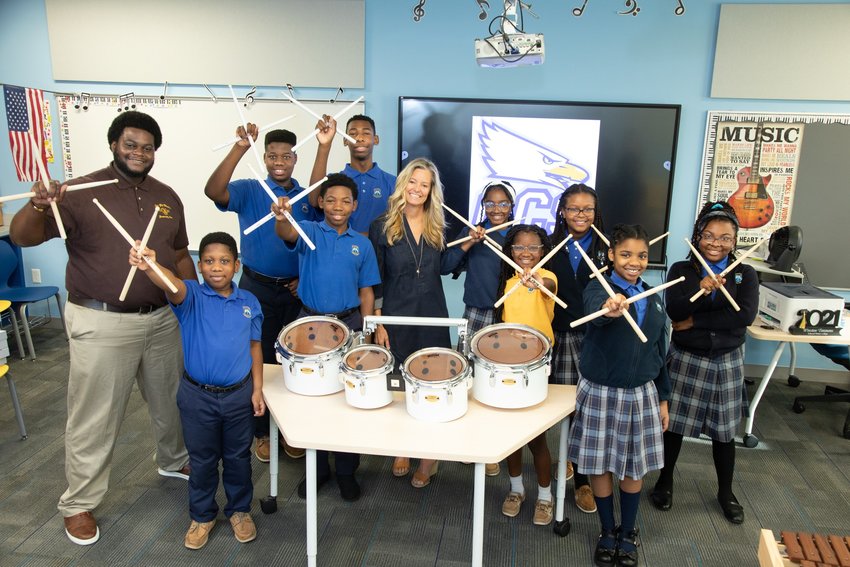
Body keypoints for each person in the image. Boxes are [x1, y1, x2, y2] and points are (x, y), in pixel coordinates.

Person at [9, 111, 192, 545]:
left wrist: (195, 301)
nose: (139, 153)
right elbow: (22, 237)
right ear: (114, 144)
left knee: (172, 399)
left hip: (162, 318)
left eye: (147, 147)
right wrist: (38, 204)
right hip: (101, 320)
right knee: (95, 416)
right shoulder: (77, 192)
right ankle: (79, 503)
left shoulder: (167, 196)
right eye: (131, 144)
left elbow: (181, 253)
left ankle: (173, 458)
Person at [129, 232, 264, 550]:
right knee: (202, 461)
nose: (217, 267)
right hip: (197, 397)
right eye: (209, 261)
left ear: (237, 265)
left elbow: (255, 347)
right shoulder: (190, 296)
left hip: (238, 396)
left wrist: (257, 389)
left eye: (224, 261)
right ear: (199, 266)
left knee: (238, 459)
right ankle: (202, 515)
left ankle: (240, 511)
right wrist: (149, 264)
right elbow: (171, 284)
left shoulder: (249, 302)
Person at [205, 124, 318, 462]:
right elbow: (214, 191)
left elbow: (314, 242)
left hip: (296, 291)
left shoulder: (305, 196)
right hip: (256, 287)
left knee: (296, 363)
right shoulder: (250, 189)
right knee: (259, 361)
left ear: (295, 159)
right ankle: (261, 432)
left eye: (286, 156)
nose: (279, 161)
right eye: (272, 156)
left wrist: (304, 277)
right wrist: (240, 147)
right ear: (265, 157)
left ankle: (289, 431)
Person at [272, 172, 381, 502]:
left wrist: (367, 330)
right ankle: (317, 470)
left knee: (347, 399)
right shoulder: (309, 231)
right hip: (310, 323)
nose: (338, 206)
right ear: (320, 202)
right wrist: (282, 215)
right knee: (313, 401)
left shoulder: (361, 243)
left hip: (349, 326)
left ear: (355, 205)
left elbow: (366, 290)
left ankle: (346, 471)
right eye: (331, 199)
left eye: (345, 201)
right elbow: (285, 231)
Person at [568, 224, 670, 567]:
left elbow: (660, 354)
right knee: (599, 463)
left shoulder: (653, 298)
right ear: (611, 255)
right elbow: (597, 313)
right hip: (600, 392)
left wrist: (663, 398)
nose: (635, 262)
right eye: (625, 254)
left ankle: (628, 532)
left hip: (641, 394)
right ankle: (607, 530)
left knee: (632, 467)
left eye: (641, 255)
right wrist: (611, 307)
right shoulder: (599, 288)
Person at [650, 202, 758, 525]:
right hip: (686, 357)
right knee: (675, 427)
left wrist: (694, 322)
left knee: (725, 433)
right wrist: (699, 292)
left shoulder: (745, 273)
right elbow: (675, 311)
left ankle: (726, 491)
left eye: (725, 237)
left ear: (735, 239)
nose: (716, 243)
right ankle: (665, 481)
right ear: (697, 236)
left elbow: (744, 316)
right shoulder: (682, 271)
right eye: (709, 236)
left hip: (727, 360)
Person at [368, 157, 451, 488]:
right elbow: (374, 277)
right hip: (397, 315)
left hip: (432, 314)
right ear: (404, 184)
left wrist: (471, 242)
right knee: (400, 385)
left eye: (425, 184)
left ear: (432, 191)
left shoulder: (437, 227)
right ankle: (403, 447)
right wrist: (378, 320)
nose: (418, 189)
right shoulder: (382, 225)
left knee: (433, 383)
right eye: (413, 182)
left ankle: (428, 457)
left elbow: (443, 268)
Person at [443, 180, 517, 478]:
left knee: (500, 380)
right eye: (490, 203)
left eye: (503, 204)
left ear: (512, 207)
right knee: (470, 377)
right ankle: (471, 441)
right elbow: (446, 265)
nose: (496, 209)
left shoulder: (518, 234)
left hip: (508, 314)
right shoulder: (472, 230)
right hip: (475, 313)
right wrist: (469, 242)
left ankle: (497, 444)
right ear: (483, 205)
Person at [547, 183, 608, 514]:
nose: (580, 215)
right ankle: (563, 459)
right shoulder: (550, 244)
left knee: (588, 407)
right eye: (573, 209)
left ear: (596, 213)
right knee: (561, 405)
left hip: (595, 335)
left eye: (587, 210)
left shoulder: (609, 247)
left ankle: (583, 479)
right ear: (562, 211)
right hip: (558, 333)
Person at [494, 224, 558, 527]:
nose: (526, 253)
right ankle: (516, 489)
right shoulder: (507, 283)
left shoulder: (548, 278)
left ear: (543, 251)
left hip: (537, 364)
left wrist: (536, 282)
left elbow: (547, 286)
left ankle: (545, 496)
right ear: (510, 251)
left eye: (533, 248)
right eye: (520, 247)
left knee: (536, 437)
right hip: (510, 364)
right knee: (512, 435)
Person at [308, 114, 396, 233]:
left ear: (376, 139)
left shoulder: (393, 182)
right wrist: (324, 145)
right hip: (341, 250)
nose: (359, 138)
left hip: (380, 251)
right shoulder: (335, 181)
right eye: (353, 133)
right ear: (345, 140)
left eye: (366, 133)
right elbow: (314, 200)